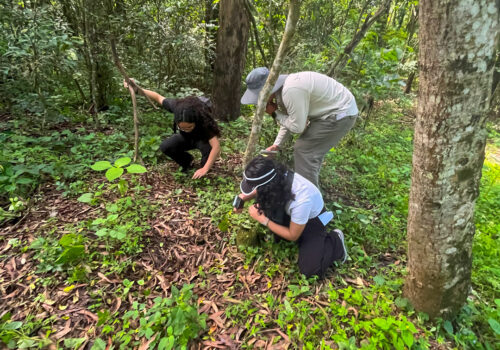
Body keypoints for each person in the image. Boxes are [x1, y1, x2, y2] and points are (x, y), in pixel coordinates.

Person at [241, 68, 358, 188]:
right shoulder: (284, 91)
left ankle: (309, 200)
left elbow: (297, 127)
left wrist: (275, 113)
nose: (260, 100)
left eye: (260, 95)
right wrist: (277, 145)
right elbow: (290, 120)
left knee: (304, 151)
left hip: (340, 114)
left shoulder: (290, 91)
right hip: (331, 113)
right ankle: (308, 192)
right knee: (309, 153)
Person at [233, 156, 348, 278]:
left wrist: (263, 220)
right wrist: (243, 197)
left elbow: (293, 235)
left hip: (313, 220)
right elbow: (260, 188)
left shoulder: (301, 200)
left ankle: (336, 241)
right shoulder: (276, 176)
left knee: (310, 270)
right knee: (268, 211)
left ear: (268, 186)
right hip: (290, 211)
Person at [124, 79, 221, 179]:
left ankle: (205, 169)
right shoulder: (176, 107)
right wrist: (136, 89)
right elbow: (157, 97)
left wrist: (205, 169)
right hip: (186, 138)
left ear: (195, 121)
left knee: (207, 160)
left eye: (189, 127)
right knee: (166, 146)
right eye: (182, 127)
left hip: (202, 140)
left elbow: (216, 146)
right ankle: (188, 161)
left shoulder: (203, 119)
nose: (186, 129)